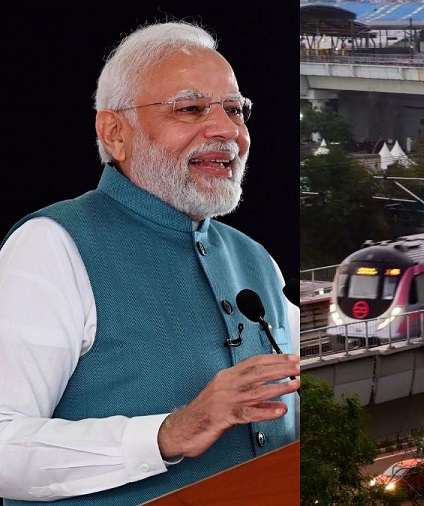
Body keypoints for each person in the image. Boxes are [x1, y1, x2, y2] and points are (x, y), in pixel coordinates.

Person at [0, 21, 301, 505]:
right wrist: (168, 434)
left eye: (234, 109)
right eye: (191, 108)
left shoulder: (255, 259)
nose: (226, 130)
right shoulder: (52, 246)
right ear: (115, 133)